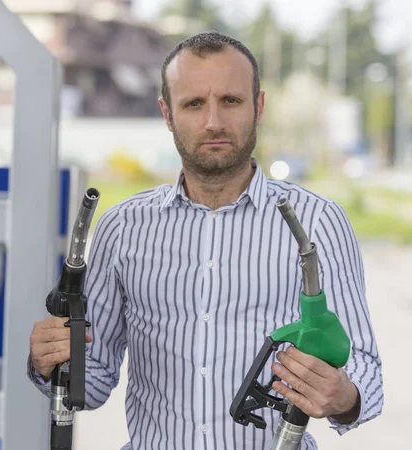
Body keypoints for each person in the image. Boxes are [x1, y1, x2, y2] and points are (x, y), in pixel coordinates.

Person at [28, 31, 383, 450]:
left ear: (259, 107)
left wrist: (343, 396)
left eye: (230, 101)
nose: (213, 121)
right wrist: (50, 361)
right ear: (167, 113)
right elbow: (92, 380)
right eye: (193, 103)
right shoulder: (123, 227)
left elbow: (364, 367)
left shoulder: (319, 222)